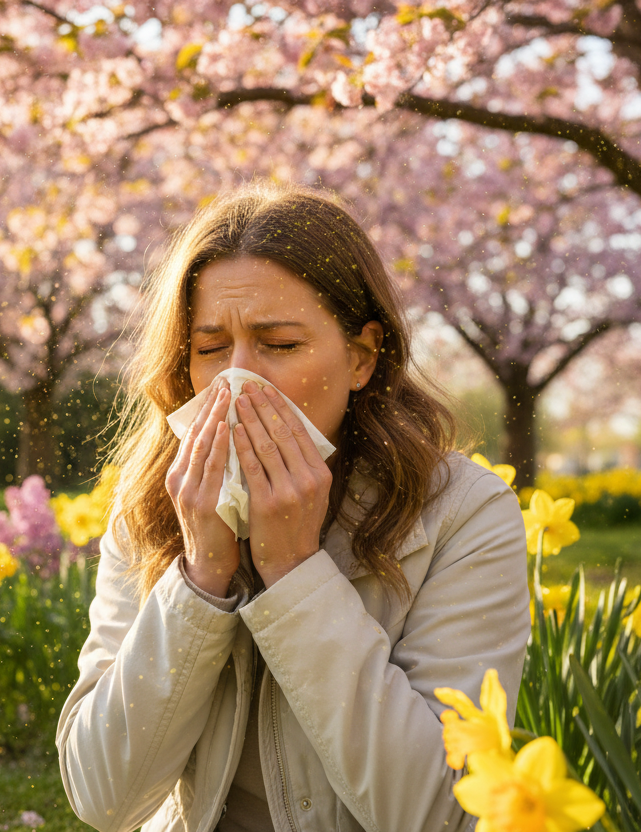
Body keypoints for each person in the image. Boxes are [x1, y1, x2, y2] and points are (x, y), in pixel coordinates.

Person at [56, 181, 530, 832]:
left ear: (361, 358)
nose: (237, 381)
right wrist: (199, 577)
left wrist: (295, 575)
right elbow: (104, 798)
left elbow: (437, 814)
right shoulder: (153, 506)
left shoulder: (465, 515)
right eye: (211, 348)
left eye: (278, 346)